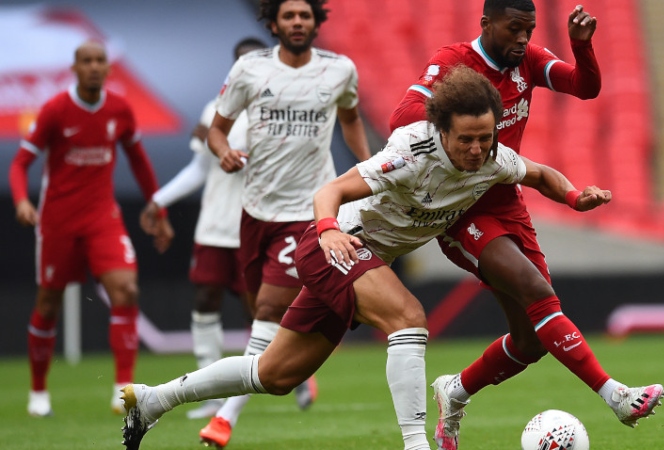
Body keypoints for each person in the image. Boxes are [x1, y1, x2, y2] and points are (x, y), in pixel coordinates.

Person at [119, 65, 611, 450]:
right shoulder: (409, 152)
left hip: (362, 261)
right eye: (467, 139)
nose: (478, 149)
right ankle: (418, 444)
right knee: (409, 318)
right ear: (440, 130)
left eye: (485, 137)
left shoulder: (492, 157)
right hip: (333, 246)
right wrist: (330, 231)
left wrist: (573, 197)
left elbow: (540, 173)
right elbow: (329, 192)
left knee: (273, 375)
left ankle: (154, 400)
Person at [389, 1, 664, 449]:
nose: (523, 38)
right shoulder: (453, 62)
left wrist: (582, 45)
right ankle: (615, 395)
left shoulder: (528, 61)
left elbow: (585, 87)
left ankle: (454, 390)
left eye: (529, 29)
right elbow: (401, 118)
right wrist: (456, 129)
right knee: (538, 292)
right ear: (487, 24)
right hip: (462, 210)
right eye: (514, 29)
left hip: (509, 202)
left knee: (531, 341)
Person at [197, 0, 372, 447]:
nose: (298, 22)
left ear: (316, 23)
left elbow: (351, 119)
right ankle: (296, 373)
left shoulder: (339, 70)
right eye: (289, 16)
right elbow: (217, 129)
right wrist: (222, 151)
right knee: (260, 309)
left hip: (309, 211)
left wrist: (370, 166)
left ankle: (225, 419)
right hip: (255, 211)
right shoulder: (249, 70)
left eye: (305, 15)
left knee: (269, 310)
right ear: (274, 23)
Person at [7, 40, 173, 417]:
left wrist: (158, 211)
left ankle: (123, 389)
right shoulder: (55, 110)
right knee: (47, 304)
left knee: (126, 288)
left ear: (108, 68)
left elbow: (140, 161)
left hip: (102, 218)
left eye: (101, 61)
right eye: (87, 61)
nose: (95, 67)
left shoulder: (119, 109)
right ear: (75, 68)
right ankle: (38, 391)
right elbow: (19, 163)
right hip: (57, 222)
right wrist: (20, 200)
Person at [138, 37, 267, 421]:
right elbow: (199, 169)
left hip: (256, 225)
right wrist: (159, 200)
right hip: (213, 225)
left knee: (259, 311)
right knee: (205, 302)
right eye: (239, 63)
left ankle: (287, 376)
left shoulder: (278, 113)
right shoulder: (216, 109)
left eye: (253, 62)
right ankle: (212, 396)